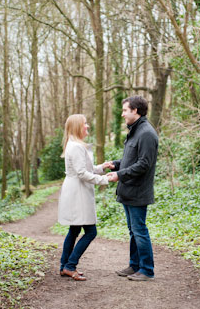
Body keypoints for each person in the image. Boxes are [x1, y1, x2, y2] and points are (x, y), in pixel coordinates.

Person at [104, 95, 159, 281]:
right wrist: (116, 165)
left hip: (138, 192)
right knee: (133, 231)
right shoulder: (135, 131)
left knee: (139, 230)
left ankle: (146, 270)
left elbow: (144, 164)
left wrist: (120, 175)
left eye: (125, 110)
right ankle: (135, 266)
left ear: (135, 110)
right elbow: (131, 160)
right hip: (128, 191)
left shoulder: (146, 133)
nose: (122, 114)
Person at [58, 114, 111, 281]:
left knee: (74, 230)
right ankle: (70, 265)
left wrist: (102, 168)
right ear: (77, 127)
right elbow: (82, 173)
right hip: (77, 193)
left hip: (76, 190)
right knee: (90, 231)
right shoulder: (76, 147)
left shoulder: (75, 145)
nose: (87, 126)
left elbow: (85, 167)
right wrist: (105, 179)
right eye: (84, 124)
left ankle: (64, 266)